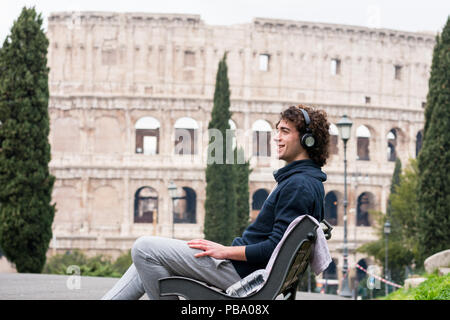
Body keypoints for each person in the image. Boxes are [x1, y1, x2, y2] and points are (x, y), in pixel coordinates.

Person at [101, 104, 330, 300]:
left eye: (285, 131)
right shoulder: (305, 180)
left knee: (144, 248)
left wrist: (225, 251)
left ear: (306, 139)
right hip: (244, 269)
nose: (276, 137)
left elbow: (273, 248)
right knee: (145, 261)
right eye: (277, 130)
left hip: (240, 272)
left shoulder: (298, 185)